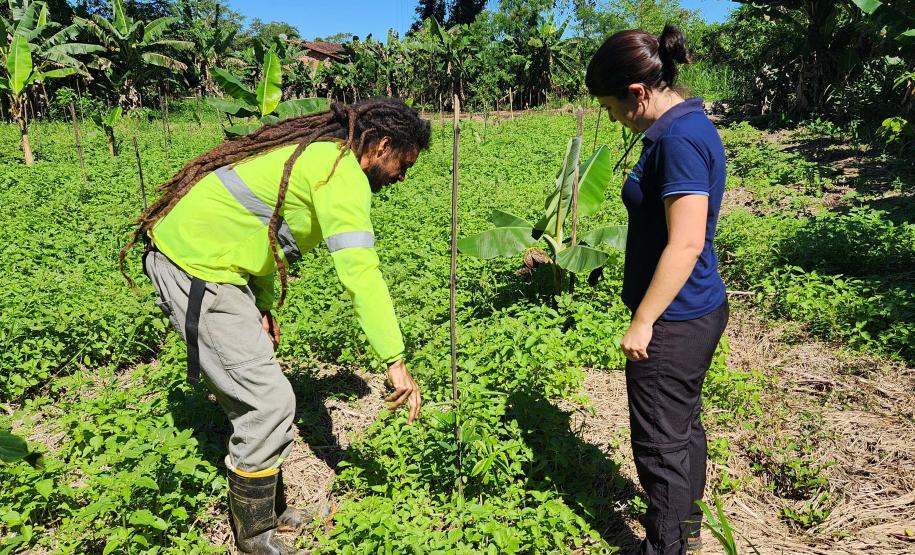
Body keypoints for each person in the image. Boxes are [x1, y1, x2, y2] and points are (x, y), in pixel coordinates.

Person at [120, 98, 429, 555]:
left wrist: (262, 303)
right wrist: (395, 360)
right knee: (268, 402)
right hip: (195, 266)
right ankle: (252, 536)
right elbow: (361, 273)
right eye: (403, 165)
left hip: (216, 261)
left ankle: (270, 510)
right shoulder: (340, 174)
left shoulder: (326, 157)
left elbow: (266, 227)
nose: (401, 177)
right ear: (383, 146)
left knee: (263, 394)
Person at [585, 25, 729, 555]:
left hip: (674, 321)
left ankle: (666, 546)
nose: (612, 118)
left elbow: (686, 242)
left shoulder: (679, 138)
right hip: (695, 310)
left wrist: (643, 319)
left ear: (638, 93)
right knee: (682, 426)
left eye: (610, 107)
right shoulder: (687, 125)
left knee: (659, 445)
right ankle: (686, 526)